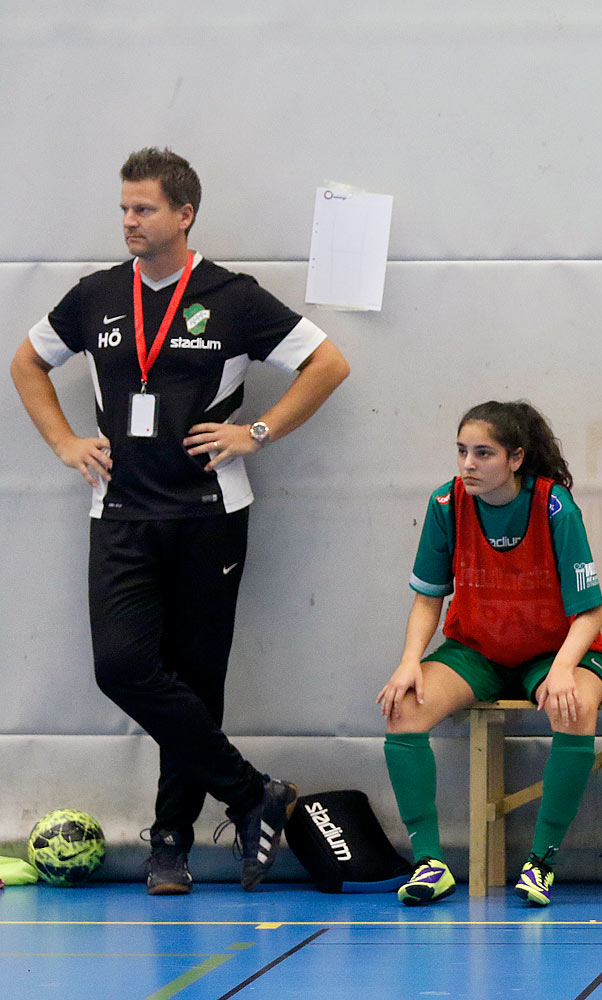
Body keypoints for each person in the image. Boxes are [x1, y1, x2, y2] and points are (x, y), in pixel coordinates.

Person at [10, 147, 350, 893]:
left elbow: (327, 364)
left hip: (209, 514)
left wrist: (254, 433)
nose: (129, 221)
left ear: (184, 214)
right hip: (122, 512)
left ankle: (171, 843)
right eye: (125, 208)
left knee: (197, 681)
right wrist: (66, 442)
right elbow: (27, 363)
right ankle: (251, 791)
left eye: (144, 209)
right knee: (124, 668)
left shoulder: (232, 297)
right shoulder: (97, 295)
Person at [378, 401, 602, 907]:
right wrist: (410, 660)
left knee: (575, 710)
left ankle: (541, 862)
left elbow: (590, 613)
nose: (468, 464)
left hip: (555, 651)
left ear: (516, 458)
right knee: (403, 710)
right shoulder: (447, 504)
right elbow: (428, 597)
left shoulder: (553, 507)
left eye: (483, 453)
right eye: (462, 451)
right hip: (478, 651)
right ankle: (429, 864)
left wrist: (566, 669)